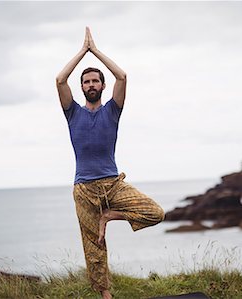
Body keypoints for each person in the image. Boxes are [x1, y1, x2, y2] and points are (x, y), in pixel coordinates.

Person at [56, 27, 165, 299]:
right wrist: (82, 52)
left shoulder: (113, 110)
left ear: (102, 86)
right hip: (84, 190)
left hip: (113, 184)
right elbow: (59, 80)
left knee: (155, 212)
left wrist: (96, 51)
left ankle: (109, 217)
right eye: (86, 82)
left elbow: (123, 76)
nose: (91, 85)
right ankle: (106, 296)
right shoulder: (72, 113)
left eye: (95, 81)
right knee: (94, 249)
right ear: (82, 87)